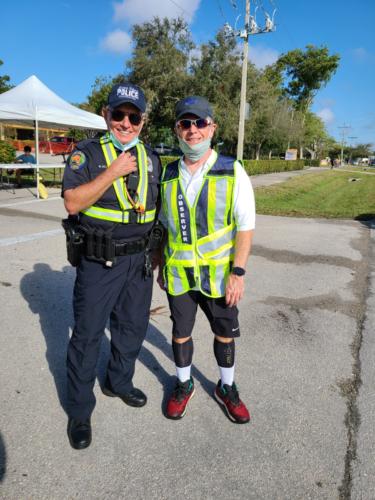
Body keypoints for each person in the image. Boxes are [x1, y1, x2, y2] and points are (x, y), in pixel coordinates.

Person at [62, 82, 162, 450]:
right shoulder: (86, 155)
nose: (125, 123)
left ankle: (118, 382)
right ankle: (79, 409)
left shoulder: (151, 157)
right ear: (106, 114)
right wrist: (113, 172)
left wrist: (157, 254)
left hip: (139, 260)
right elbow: (72, 202)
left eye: (133, 116)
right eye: (118, 114)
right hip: (99, 260)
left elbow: (156, 210)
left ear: (142, 121)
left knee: (132, 328)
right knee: (88, 335)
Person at [158, 96, 255, 424]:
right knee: (180, 332)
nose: (193, 130)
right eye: (185, 123)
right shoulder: (168, 173)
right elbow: (162, 226)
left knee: (224, 334)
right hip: (179, 275)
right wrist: (160, 265)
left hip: (219, 276)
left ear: (212, 127)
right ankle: (183, 384)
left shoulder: (232, 170)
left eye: (200, 122)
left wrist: (238, 272)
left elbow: (245, 226)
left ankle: (226, 388)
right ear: (177, 130)